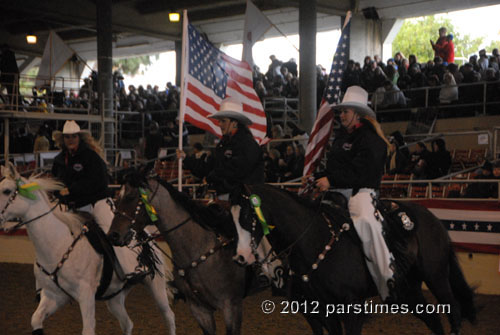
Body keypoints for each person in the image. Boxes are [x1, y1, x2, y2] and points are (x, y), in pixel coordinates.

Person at [306, 85, 397, 302]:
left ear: (358, 113)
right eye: (341, 111)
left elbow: (362, 172)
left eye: (345, 111)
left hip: (362, 192)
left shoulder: (371, 140)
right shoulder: (341, 138)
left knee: (365, 220)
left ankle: (388, 278)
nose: (341, 115)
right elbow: (336, 169)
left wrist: (332, 180)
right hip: (338, 191)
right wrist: (317, 176)